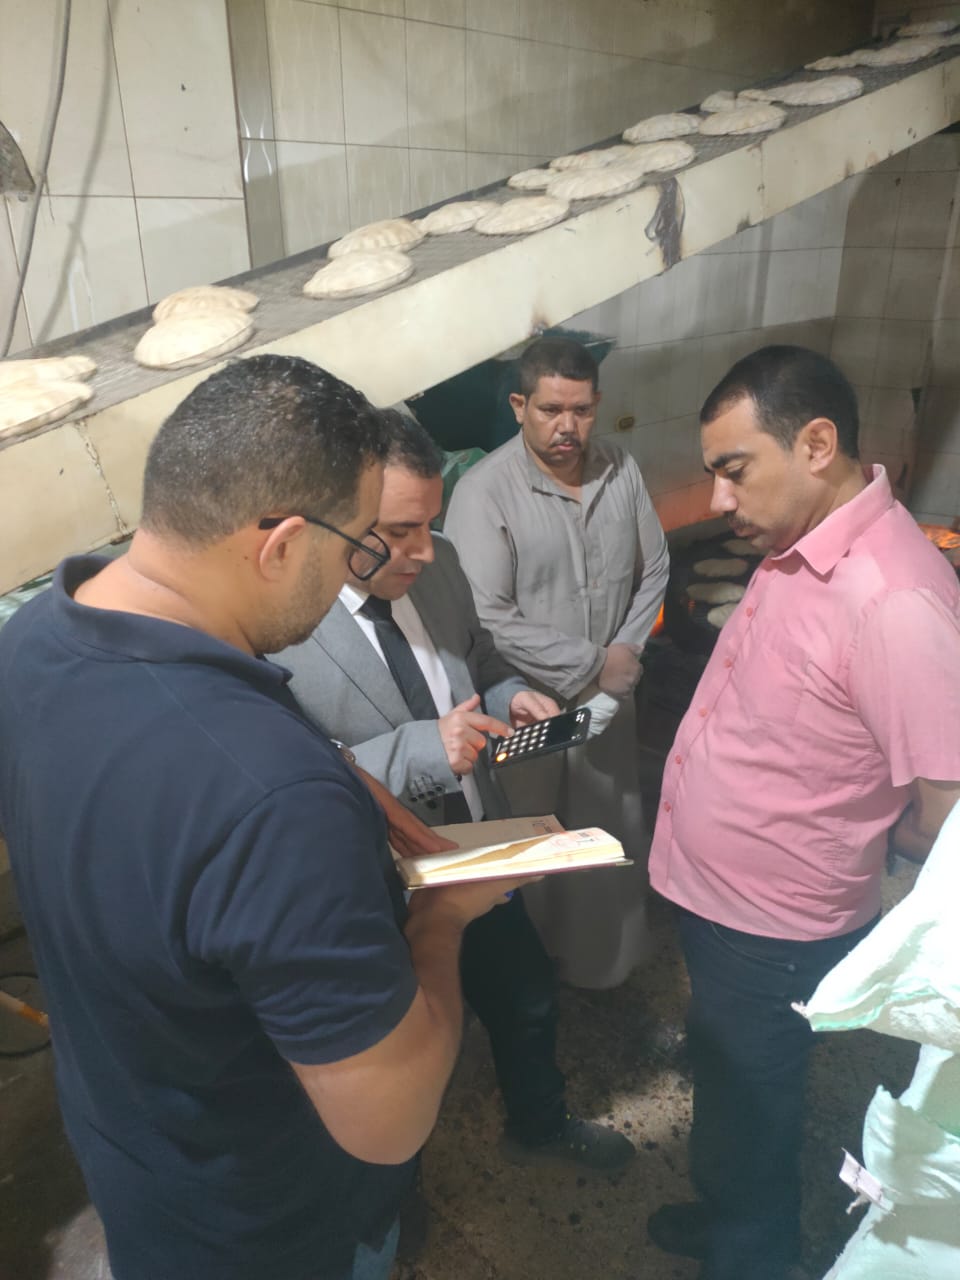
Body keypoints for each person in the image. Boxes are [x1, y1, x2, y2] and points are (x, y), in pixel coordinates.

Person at [0, 355, 527, 1280]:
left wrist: (327, 771)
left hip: (137, 1159)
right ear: (282, 544)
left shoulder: (34, 639)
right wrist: (443, 915)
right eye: (359, 544)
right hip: (273, 1225)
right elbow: (390, 1121)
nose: (361, 570)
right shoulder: (272, 801)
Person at [645, 345, 960, 1280]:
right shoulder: (801, 545)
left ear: (816, 445)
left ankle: (751, 1251)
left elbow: (947, 810)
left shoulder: (896, 598)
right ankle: (727, 1210)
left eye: (735, 470)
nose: (717, 499)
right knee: (728, 1081)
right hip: (721, 905)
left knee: (755, 1107)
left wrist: (849, 837)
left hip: (773, 927)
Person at [278, 409, 636, 1174]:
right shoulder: (283, 625)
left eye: (428, 523)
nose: (422, 549)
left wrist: (511, 696)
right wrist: (421, 750)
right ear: (332, 519)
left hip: (474, 847)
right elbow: (292, 780)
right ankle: (394, 1186)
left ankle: (540, 1123)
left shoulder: (438, 563)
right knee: (392, 1056)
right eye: (397, 531)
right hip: (374, 884)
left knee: (527, 996)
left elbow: (478, 658)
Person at [444, 336, 669, 989]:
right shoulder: (485, 493)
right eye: (550, 410)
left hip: (609, 700)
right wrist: (593, 662)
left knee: (606, 822)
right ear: (520, 406)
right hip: (527, 705)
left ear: (596, 405)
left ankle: (602, 965)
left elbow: (653, 568)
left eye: (581, 410)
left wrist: (624, 656)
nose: (566, 426)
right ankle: (534, 975)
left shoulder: (620, 470)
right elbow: (485, 615)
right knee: (536, 835)